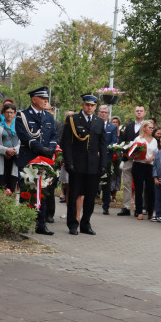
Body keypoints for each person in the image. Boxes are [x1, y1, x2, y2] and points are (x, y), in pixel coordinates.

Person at [60, 93, 107, 235]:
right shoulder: (73, 119)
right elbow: (66, 143)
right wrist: (69, 162)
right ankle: (73, 224)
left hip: (93, 165)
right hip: (77, 164)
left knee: (90, 197)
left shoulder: (99, 121)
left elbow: (103, 145)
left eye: (92, 105)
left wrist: (103, 164)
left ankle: (86, 223)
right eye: (87, 104)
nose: (90, 107)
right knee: (74, 195)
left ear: (96, 106)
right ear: (82, 105)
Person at [16, 87, 57, 235]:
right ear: (34, 99)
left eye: (46, 98)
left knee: (43, 192)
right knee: (27, 192)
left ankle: (41, 224)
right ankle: (23, 223)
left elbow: (53, 134)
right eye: (42, 98)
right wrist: (41, 148)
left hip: (44, 160)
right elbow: (24, 136)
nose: (46, 100)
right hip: (29, 158)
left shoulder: (48, 116)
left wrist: (51, 148)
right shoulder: (22, 116)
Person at [117, 105, 146, 216]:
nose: (138, 112)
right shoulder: (129, 126)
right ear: (134, 113)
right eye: (137, 111)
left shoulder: (146, 126)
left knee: (139, 185)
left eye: (141, 111)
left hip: (140, 160)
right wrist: (126, 153)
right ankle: (126, 207)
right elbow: (124, 142)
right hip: (128, 159)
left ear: (144, 113)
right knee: (127, 184)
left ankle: (138, 209)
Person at [129, 119, 157, 220]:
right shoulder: (138, 139)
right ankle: (139, 212)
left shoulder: (154, 140)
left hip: (149, 166)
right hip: (138, 165)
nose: (151, 129)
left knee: (151, 189)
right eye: (150, 127)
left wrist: (152, 158)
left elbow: (156, 154)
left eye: (152, 128)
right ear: (144, 128)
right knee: (139, 189)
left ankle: (150, 212)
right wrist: (136, 155)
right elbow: (131, 153)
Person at [0, 103, 20, 194]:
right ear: (3, 113)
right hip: (0, 159)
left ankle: (10, 207)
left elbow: (22, 142)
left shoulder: (19, 125)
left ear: (15, 113)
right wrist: (6, 150)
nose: (9, 114)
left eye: (11, 112)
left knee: (11, 187)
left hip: (14, 158)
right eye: (7, 112)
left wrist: (14, 150)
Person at [97, 104, 119, 214]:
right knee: (93, 182)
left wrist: (103, 150)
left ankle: (106, 206)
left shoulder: (112, 127)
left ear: (108, 114)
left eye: (105, 112)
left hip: (107, 158)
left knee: (106, 183)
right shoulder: (94, 124)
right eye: (102, 112)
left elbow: (114, 142)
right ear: (98, 113)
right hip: (94, 157)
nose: (103, 114)